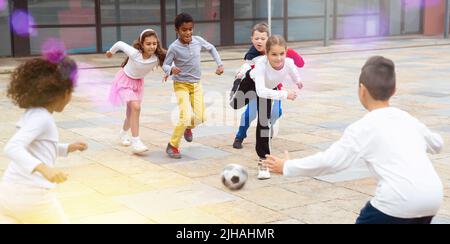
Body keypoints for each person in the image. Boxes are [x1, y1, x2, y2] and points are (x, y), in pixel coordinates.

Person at [264, 56, 444, 224]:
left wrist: (287, 166)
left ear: (362, 90)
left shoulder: (364, 127)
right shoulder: (407, 118)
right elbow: (437, 144)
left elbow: (331, 162)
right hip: (432, 198)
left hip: (398, 201)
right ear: (394, 90)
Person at [0, 56, 88, 224]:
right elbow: (12, 147)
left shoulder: (34, 113)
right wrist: (46, 170)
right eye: (71, 92)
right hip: (32, 195)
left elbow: (38, 148)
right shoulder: (42, 117)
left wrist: (67, 148)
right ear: (63, 93)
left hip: (8, 192)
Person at [231, 23, 305, 149]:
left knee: (276, 112)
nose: (259, 41)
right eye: (256, 38)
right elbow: (248, 67)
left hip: (274, 87)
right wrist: (241, 73)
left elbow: (297, 63)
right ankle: (240, 136)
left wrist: (297, 77)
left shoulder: (280, 51)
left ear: (269, 40)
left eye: (263, 38)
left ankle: (267, 129)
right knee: (250, 114)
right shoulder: (252, 56)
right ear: (252, 39)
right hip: (257, 88)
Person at [163, 12, 224, 159]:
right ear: (177, 30)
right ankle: (172, 145)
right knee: (185, 115)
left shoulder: (198, 40)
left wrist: (220, 64)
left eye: (190, 29)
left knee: (201, 117)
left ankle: (188, 128)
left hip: (196, 85)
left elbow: (211, 48)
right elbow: (165, 64)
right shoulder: (174, 47)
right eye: (184, 30)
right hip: (181, 85)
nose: (188, 32)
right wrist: (171, 69)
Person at [250, 35, 303, 180]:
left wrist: (297, 81)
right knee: (237, 104)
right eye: (273, 54)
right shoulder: (261, 64)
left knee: (264, 123)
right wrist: (285, 94)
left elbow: (293, 72)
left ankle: (263, 161)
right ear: (266, 54)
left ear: (286, 52)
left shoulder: (289, 62)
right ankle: (263, 160)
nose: (278, 58)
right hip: (252, 84)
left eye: (282, 53)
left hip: (270, 88)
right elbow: (261, 91)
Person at [107, 29, 166, 154]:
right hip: (124, 81)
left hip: (137, 84)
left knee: (131, 113)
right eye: (148, 44)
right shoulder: (134, 54)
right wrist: (110, 52)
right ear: (141, 44)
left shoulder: (157, 57)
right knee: (136, 107)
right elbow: (119, 43)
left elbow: (168, 65)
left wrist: (171, 70)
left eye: (154, 43)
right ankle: (136, 141)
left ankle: (122, 134)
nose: (152, 46)